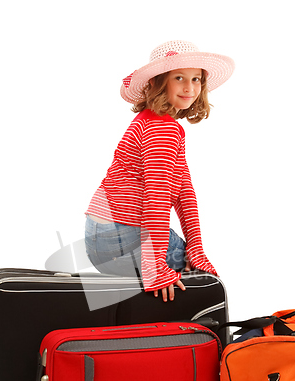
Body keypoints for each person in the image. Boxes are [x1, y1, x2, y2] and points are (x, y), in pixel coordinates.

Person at [85, 40, 235, 302]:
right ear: (157, 83)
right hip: (121, 235)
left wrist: (196, 248)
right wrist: (155, 266)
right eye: (179, 77)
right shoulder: (162, 129)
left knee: (191, 259)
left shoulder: (155, 123)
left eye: (196, 79)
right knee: (201, 281)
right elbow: (157, 196)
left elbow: (184, 191)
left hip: (104, 235)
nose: (190, 88)